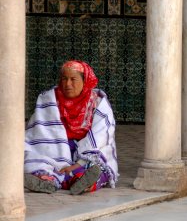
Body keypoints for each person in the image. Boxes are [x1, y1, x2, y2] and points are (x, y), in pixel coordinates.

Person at [24, 60, 118, 195]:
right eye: (64, 79)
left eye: (73, 79)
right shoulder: (49, 100)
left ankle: (80, 181)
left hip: (85, 153)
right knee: (39, 163)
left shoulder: (98, 102)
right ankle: (47, 180)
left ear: (85, 81)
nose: (67, 84)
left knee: (97, 168)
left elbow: (101, 136)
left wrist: (78, 163)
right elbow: (38, 134)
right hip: (55, 150)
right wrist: (58, 158)